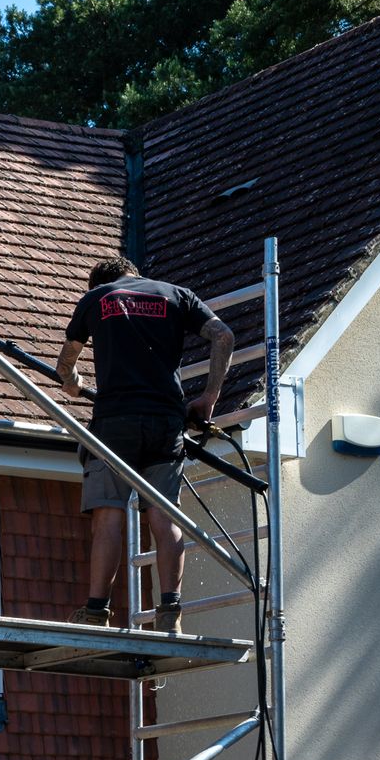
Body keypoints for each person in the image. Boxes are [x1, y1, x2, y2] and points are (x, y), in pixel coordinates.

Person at [55, 256, 234, 635]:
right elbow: (223, 336)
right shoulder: (177, 295)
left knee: (108, 514)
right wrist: (209, 398)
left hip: (114, 421)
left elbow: (66, 364)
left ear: (98, 282)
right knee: (164, 515)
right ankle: (170, 610)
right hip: (165, 422)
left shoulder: (97, 298)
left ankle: (96, 610)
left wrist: (71, 381)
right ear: (134, 274)